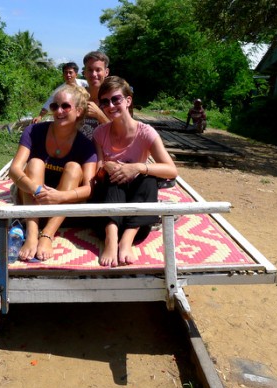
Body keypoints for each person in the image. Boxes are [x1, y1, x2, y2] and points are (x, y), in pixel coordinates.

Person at [92, 76, 178, 267]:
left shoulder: (146, 132)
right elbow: (97, 166)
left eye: (116, 99)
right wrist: (107, 165)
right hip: (107, 216)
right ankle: (111, 240)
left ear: (128, 101)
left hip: (136, 217)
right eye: (105, 101)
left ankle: (126, 241)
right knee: (113, 176)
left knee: (148, 178)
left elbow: (171, 170)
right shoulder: (100, 133)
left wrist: (139, 167)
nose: (110, 105)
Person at [10, 85, 97, 261]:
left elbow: (90, 188)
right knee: (34, 163)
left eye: (65, 106)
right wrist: (36, 189)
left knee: (74, 167)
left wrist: (61, 197)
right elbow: (14, 170)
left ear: (78, 111)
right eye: (54, 106)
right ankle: (32, 234)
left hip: (62, 204)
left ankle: (47, 234)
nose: (59, 111)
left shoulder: (85, 144)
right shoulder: (34, 131)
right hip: (31, 198)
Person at [79, 51, 111, 138]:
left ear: (106, 72)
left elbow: (120, 132)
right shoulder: (77, 97)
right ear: (84, 72)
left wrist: (99, 115)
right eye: (90, 70)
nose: (94, 74)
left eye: (98, 70)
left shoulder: (114, 100)